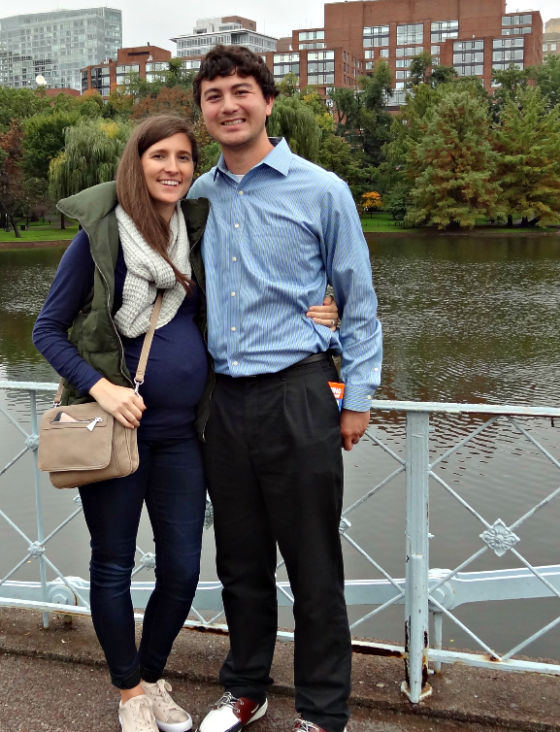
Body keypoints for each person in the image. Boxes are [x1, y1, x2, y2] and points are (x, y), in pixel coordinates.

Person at [32, 115, 339, 732]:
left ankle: (149, 676)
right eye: (157, 157)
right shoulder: (101, 239)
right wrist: (103, 388)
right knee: (114, 563)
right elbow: (47, 329)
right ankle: (129, 694)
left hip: (182, 436)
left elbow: (247, 286)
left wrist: (317, 313)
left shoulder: (190, 235)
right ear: (135, 164)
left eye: (181, 156)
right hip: (115, 432)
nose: (171, 167)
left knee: (182, 569)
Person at [190, 46, 383, 732]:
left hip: (299, 395)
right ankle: (245, 688)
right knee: (239, 561)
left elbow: (357, 300)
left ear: (268, 101)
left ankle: (324, 712)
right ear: (203, 111)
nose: (229, 105)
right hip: (222, 403)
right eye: (214, 95)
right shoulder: (194, 197)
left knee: (313, 564)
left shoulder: (320, 189)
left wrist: (357, 395)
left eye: (241, 91)